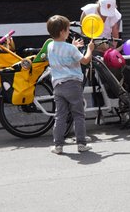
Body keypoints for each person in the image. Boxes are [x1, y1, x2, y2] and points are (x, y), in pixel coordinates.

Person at [41, 15, 97, 155]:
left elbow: (62, 53)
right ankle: (81, 144)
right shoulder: (71, 49)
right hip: (73, 85)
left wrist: (73, 46)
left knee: (60, 116)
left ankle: (58, 145)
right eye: (67, 30)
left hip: (58, 86)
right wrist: (90, 49)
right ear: (62, 32)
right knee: (78, 115)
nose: (68, 32)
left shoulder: (50, 46)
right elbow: (84, 61)